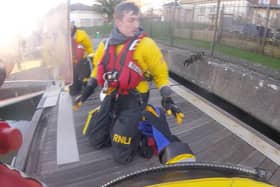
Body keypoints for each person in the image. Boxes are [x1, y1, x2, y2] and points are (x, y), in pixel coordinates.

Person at [74, 2, 189, 164]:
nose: (136, 25)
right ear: (118, 22)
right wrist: (84, 94)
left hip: (135, 99)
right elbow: (96, 72)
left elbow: (161, 75)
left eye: (138, 20)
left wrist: (167, 99)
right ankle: (119, 124)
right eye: (131, 20)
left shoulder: (147, 45)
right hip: (112, 95)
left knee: (122, 157)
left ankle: (145, 121)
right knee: (95, 141)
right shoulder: (104, 45)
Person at [70, 22, 94, 96]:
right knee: (73, 86)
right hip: (70, 63)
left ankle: (86, 86)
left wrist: (92, 58)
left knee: (84, 80)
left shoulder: (82, 35)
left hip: (82, 61)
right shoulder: (61, 37)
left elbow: (89, 47)